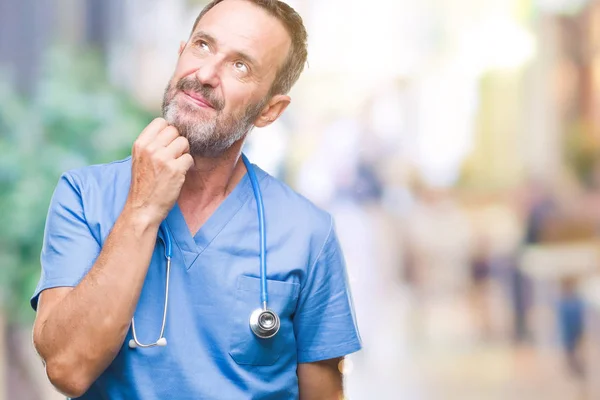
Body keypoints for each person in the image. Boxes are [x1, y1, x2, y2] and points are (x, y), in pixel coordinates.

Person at [30, 1, 362, 399]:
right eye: (203, 45)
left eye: (241, 66)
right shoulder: (84, 197)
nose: (205, 74)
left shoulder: (308, 233)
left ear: (270, 110)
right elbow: (67, 369)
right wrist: (142, 210)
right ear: (181, 52)